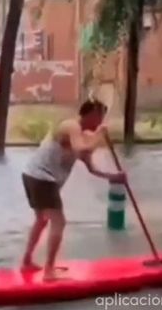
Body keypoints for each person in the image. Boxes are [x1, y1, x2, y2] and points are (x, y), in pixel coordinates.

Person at [21, 99, 126, 281]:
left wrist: (114, 177)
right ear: (90, 115)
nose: (101, 122)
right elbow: (80, 147)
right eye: (100, 117)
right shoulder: (71, 126)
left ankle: (27, 261)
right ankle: (49, 271)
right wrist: (99, 134)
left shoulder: (84, 136)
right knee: (59, 221)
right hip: (41, 177)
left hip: (34, 177)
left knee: (42, 220)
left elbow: (92, 168)